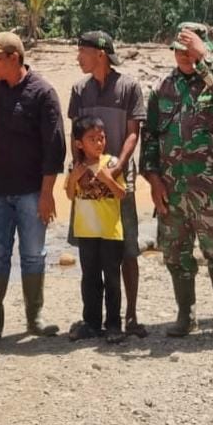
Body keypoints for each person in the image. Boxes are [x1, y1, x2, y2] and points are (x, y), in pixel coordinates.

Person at [142, 22, 213, 338]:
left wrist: (204, 59)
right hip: (173, 190)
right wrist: (154, 181)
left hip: (210, 189)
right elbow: (151, 139)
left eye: (191, 49)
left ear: (204, 50)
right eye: (180, 49)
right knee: (175, 253)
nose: (184, 55)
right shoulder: (162, 89)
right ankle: (186, 315)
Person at [0, 31, 65, 343]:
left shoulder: (43, 93)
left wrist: (46, 194)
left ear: (14, 58)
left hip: (30, 192)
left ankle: (34, 318)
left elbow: (54, 149)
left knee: (33, 255)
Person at [67, 31, 148, 337]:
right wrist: (79, 169)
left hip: (118, 180)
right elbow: (74, 135)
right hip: (86, 182)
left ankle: (129, 316)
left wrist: (119, 166)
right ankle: (92, 320)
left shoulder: (128, 87)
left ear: (100, 54)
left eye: (82, 52)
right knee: (90, 250)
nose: (78, 58)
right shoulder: (78, 89)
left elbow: (132, 133)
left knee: (126, 249)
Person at [66, 115, 128, 344]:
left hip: (111, 231)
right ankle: (91, 322)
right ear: (79, 144)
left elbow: (122, 194)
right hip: (86, 232)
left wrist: (108, 179)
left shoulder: (112, 163)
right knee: (90, 278)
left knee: (112, 278)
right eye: (92, 139)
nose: (99, 143)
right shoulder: (77, 167)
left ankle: (113, 324)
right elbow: (70, 195)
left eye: (101, 138)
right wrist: (73, 179)